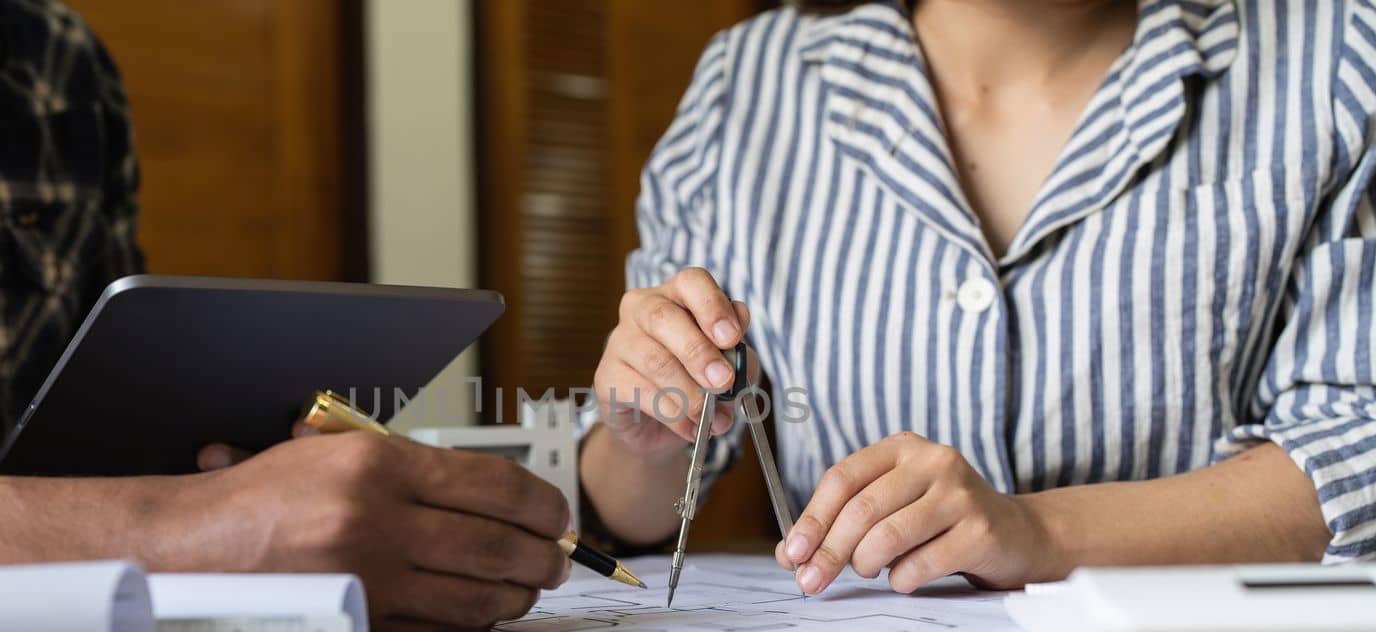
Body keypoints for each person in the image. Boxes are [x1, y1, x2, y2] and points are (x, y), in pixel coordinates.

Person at [0, 0, 569, 632]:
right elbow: (168, 526)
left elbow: (100, 435)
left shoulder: (61, 64)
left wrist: (260, 487)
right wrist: (200, 531)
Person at [580, 0, 1376, 595]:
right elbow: (635, 511)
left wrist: (1038, 530)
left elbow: (1354, 452)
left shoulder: (1336, 57)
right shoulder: (741, 88)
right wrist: (641, 436)